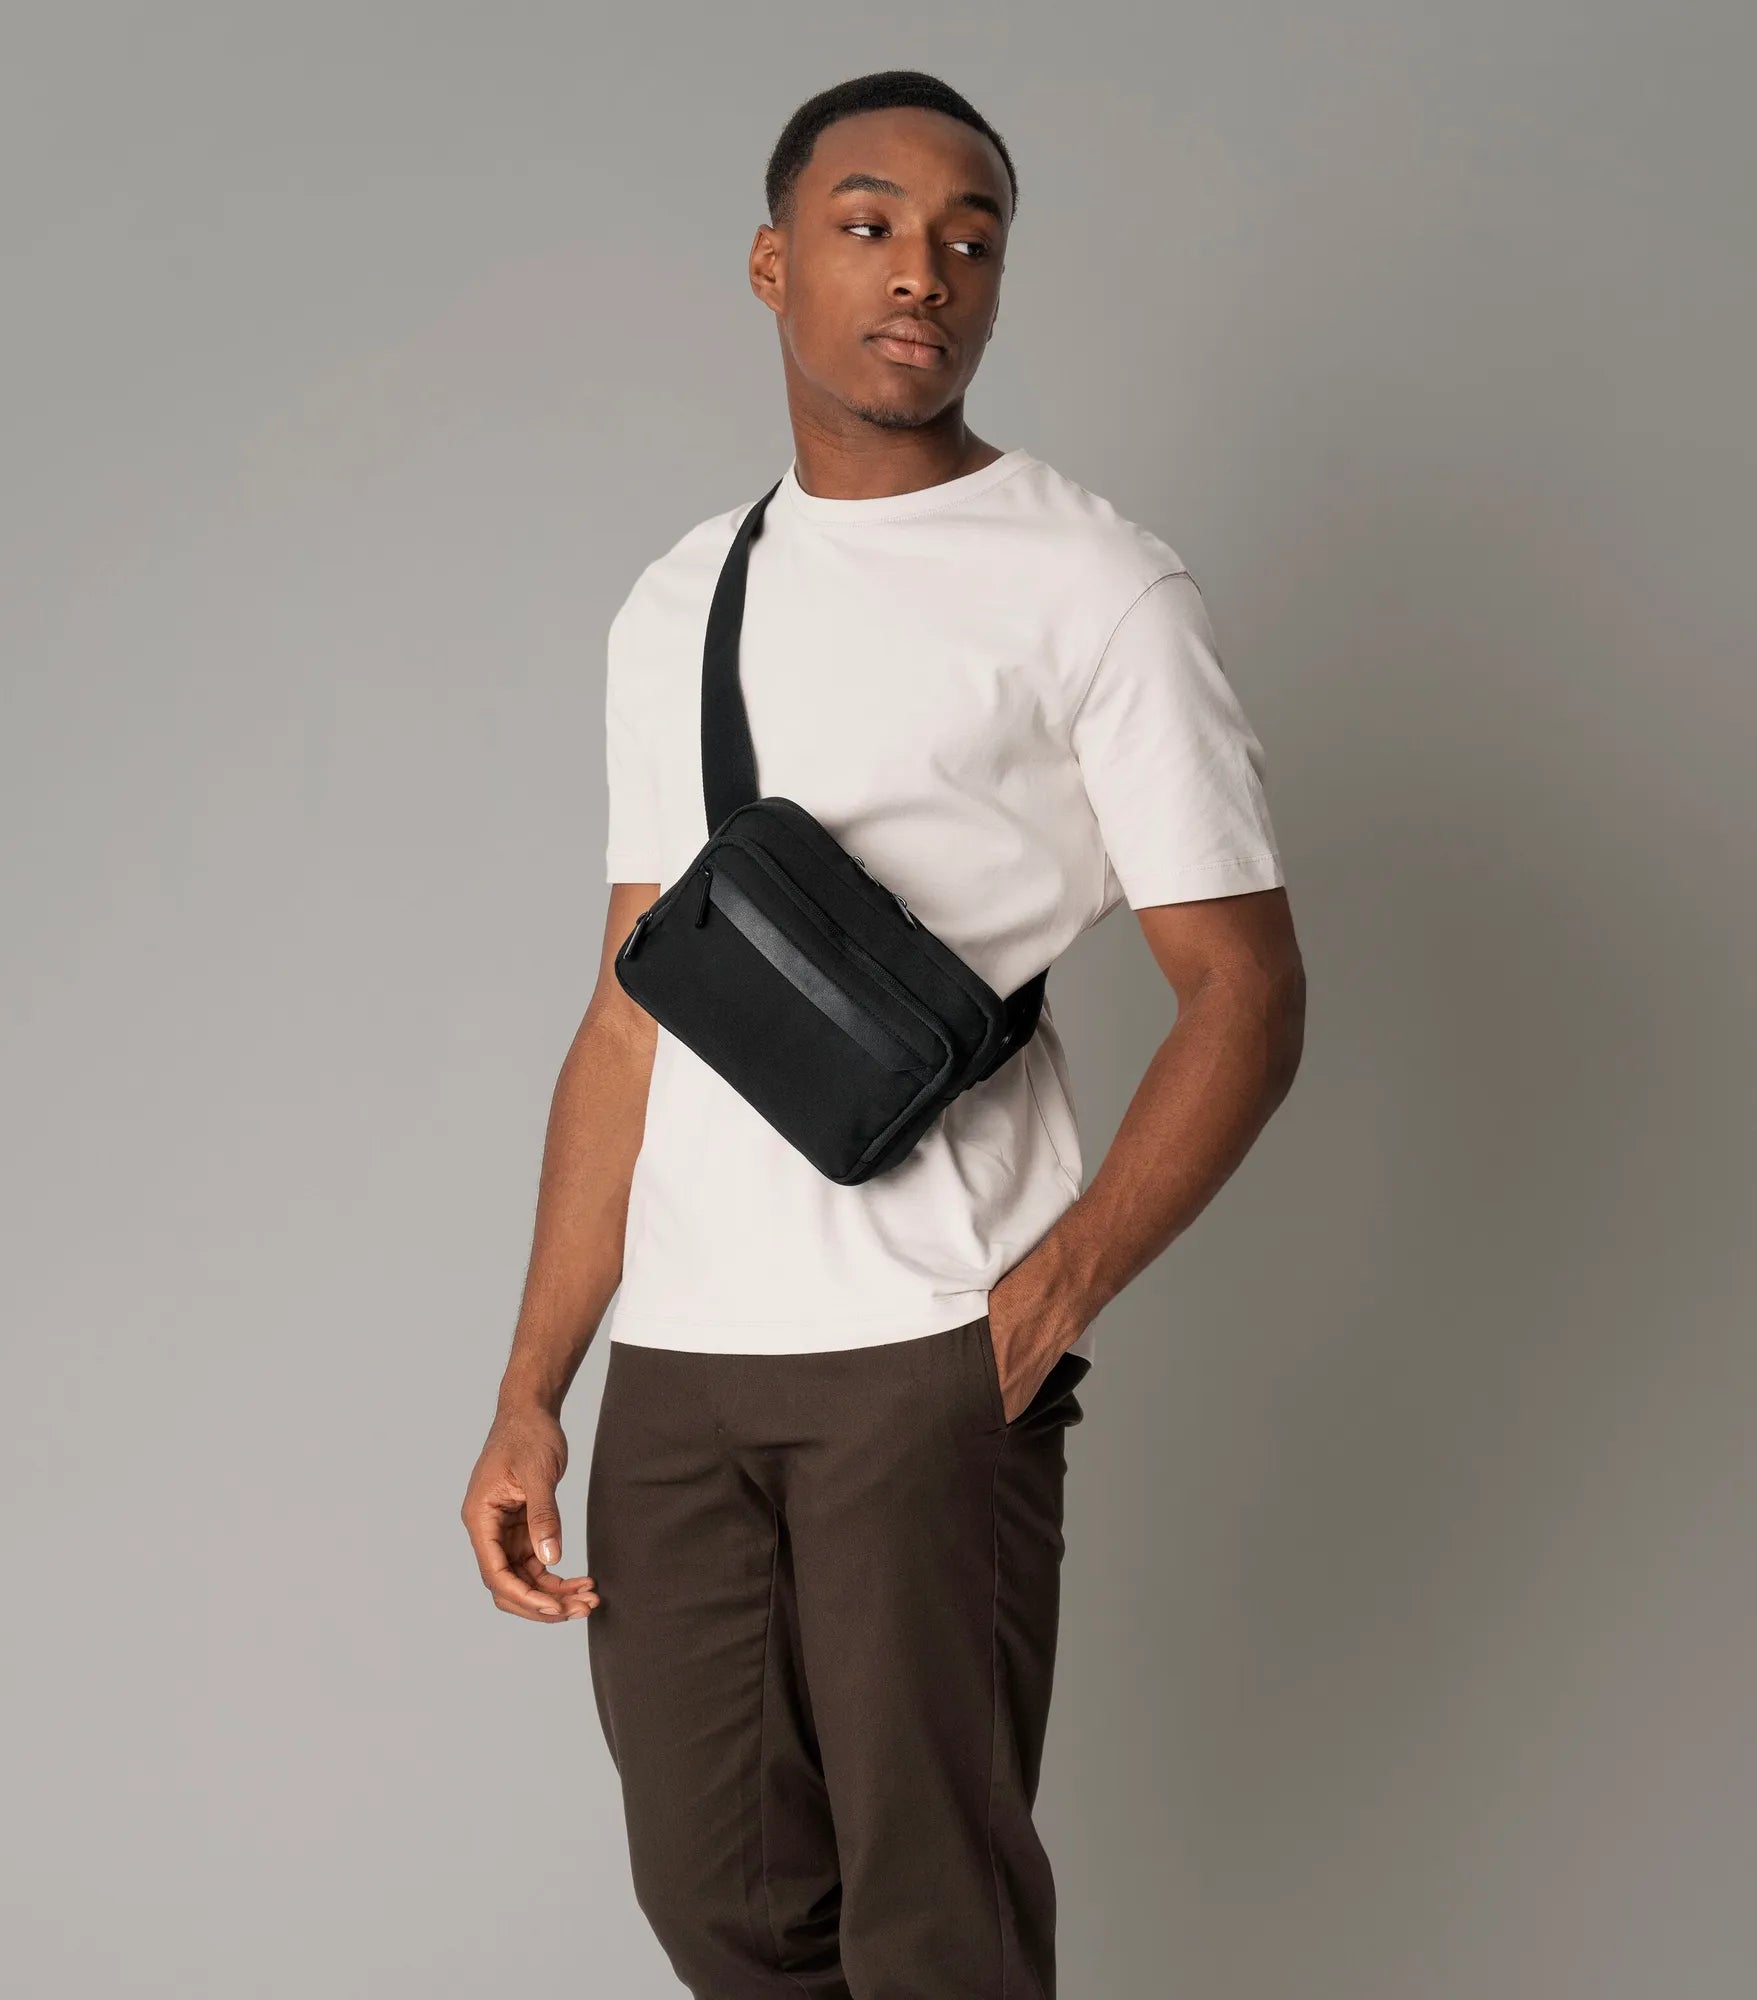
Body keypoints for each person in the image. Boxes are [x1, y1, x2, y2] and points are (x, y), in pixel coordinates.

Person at [462, 68, 1306, 1998]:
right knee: (723, 1908)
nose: (921, 269)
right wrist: (533, 1383)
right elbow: (629, 1014)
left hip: (926, 1352)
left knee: (938, 1929)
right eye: (867, 226)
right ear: (773, 264)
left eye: (968, 238)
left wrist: (1045, 1297)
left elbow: (1246, 991)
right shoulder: (683, 599)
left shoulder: (1094, 586)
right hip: (683, 1367)